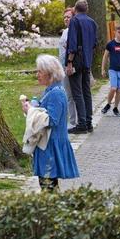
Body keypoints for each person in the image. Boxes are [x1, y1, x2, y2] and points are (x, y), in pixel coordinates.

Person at [21, 55, 80, 191]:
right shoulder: (51, 90)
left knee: (48, 187)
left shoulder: (56, 93)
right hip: (47, 144)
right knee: (48, 185)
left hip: (51, 146)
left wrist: (30, 110)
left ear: (50, 73)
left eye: (40, 71)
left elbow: (52, 120)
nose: (38, 75)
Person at [65, 0, 98, 134]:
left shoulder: (74, 21)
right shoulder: (92, 22)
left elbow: (72, 43)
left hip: (77, 59)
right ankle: (89, 122)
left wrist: (69, 62)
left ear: (75, 9)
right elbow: (95, 43)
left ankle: (82, 124)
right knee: (86, 92)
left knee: (77, 92)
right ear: (86, 10)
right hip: (87, 59)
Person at [58, 7, 78, 129]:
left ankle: (72, 121)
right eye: (64, 17)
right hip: (62, 66)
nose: (66, 19)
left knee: (71, 94)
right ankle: (72, 119)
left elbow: (72, 50)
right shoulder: (65, 31)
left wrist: (69, 64)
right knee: (67, 93)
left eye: (68, 17)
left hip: (69, 66)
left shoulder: (73, 32)